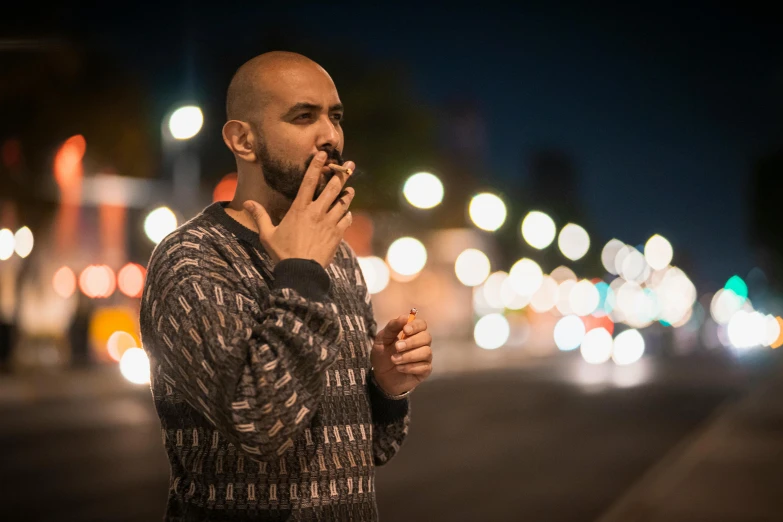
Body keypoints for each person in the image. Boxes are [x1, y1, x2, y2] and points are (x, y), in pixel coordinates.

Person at [140, 51, 434, 521]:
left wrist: (385, 384)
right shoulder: (192, 257)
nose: (331, 136)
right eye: (304, 116)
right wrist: (299, 270)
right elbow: (258, 422)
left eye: (335, 117)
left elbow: (370, 450)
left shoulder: (337, 256)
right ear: (243, 140)